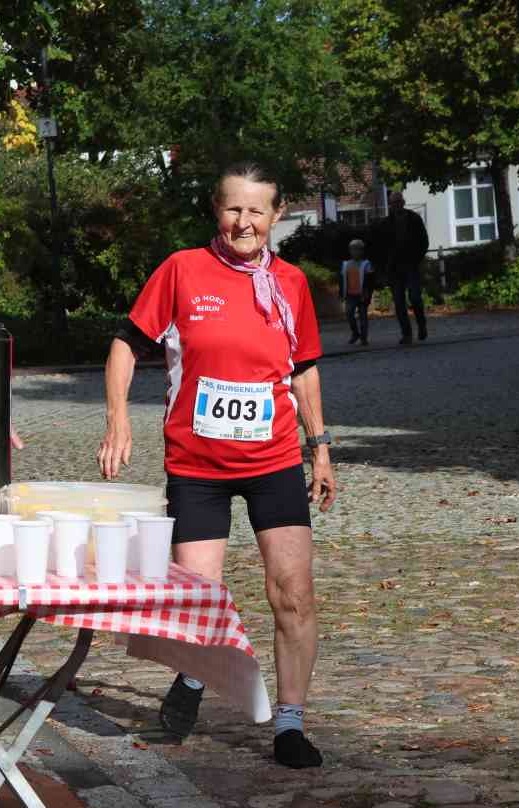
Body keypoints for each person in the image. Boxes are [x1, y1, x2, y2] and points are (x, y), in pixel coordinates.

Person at [97, 162, 337, 769]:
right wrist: (118, 419)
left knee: (294, 593)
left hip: (275, 458)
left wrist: (321, 447)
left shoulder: (292, 284)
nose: (244, 222)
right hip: (198, 463)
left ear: (277, 215)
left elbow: (304, 367)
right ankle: (196, 678)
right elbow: (127, 342)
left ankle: (289, 724)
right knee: (198, 596)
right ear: (216, 210)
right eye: (234, 209)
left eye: (257, 210)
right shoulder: (182, 270)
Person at [377, 190, 430, 345]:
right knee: (399, 302)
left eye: (398, 202)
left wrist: (417, 258)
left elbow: (423, 241)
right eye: (393, 203)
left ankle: (421, 325)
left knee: (415, 298)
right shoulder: (385, 224)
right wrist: (385, 267)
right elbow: (381, 249)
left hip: (411, 265)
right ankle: (406, 334)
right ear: (391, 205)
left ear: (403, 202)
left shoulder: (414, 219)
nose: (396, 205)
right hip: (394, 268)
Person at [340, 237, 373, 345]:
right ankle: (355, 333)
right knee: (349, 313)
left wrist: (368, 293)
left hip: (362, 295)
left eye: (357, 249)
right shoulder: (346, 264)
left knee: (363, 317)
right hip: (350, 294)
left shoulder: (366, 264)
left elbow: (370, 281)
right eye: (353, 249)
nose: (355, 252)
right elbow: (342, 279)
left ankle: (364, 337)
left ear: (362, 251)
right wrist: (341, 293)